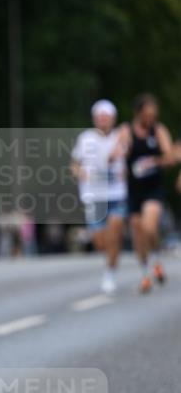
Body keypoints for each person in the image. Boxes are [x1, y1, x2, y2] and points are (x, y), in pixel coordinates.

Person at [111, 94, 175, 293]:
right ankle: (146, 272)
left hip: (153, 188)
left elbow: (170, 157)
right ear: (138, 114)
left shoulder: (158, 130)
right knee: (138, 232)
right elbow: (115, 153)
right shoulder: (126, 130)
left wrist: (154, 162)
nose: (150, 119)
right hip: (133, 189)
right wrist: (120, 153)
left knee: (149, 226)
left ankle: (156, 257)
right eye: (147, 115)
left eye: (153, 115)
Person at [71, 99, 128, 294]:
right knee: (101, 242)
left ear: (113, 119)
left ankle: (110, 274)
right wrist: (81, 173)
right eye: (100, 117)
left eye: (107, 117)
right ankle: (109, 262)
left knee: (114, 234)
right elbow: (75, 164)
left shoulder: (122, 137)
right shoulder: (85, 138)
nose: (103, 120)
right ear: (95, 119)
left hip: (116, 194)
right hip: (94, 196)